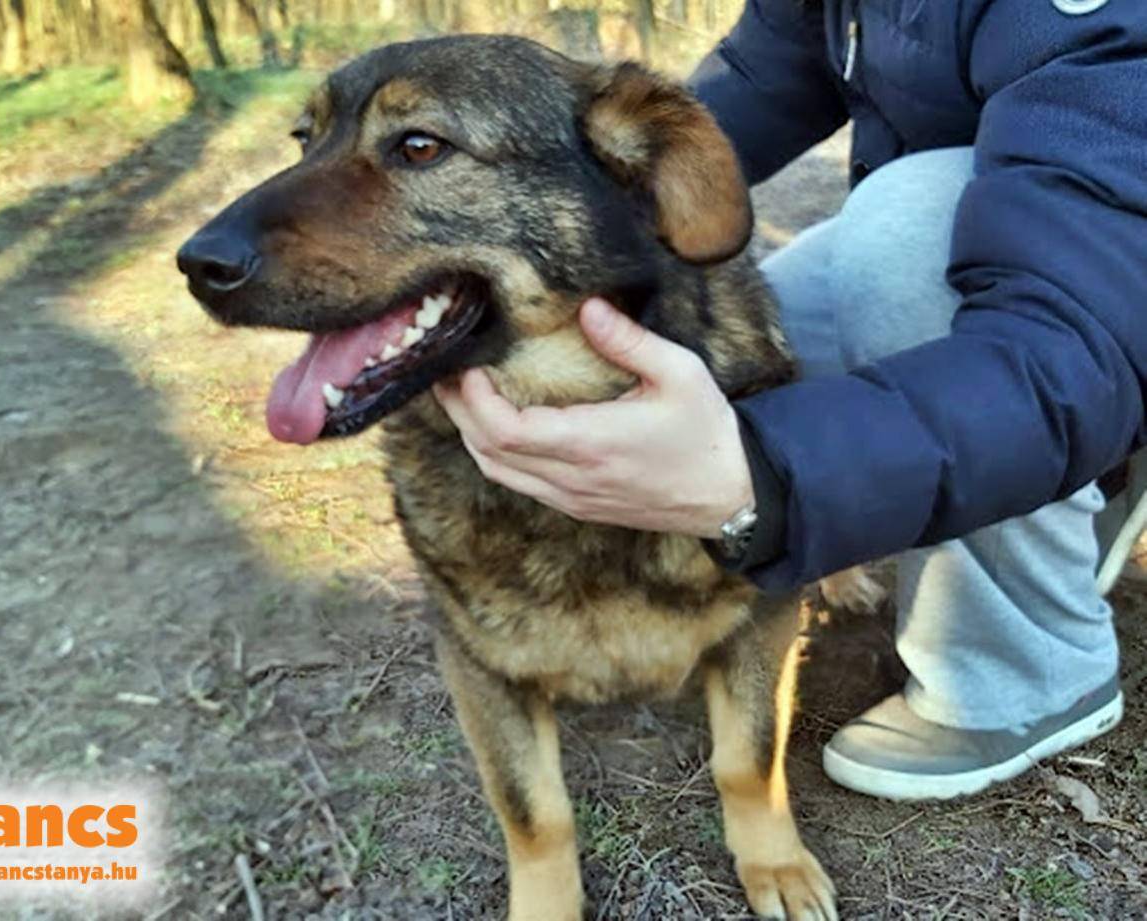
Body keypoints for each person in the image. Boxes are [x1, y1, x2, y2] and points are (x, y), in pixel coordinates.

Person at [434, 0, 1147, 800]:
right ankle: (1079, 472)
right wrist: (586, 205)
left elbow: (1069, 337)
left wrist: (765, 480)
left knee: (904, 235)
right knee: (747, 331)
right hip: (1040, 235)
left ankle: (1026, 672)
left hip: (1100, 268)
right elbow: (757, 80)